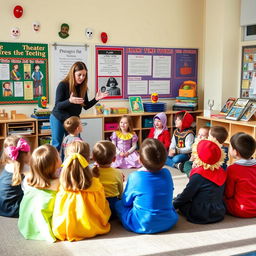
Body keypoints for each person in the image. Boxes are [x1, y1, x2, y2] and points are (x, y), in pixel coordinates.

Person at [115, 138, 178, 234]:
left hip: (142, 223)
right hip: (168, 221)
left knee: (118, 205)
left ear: (140, 160)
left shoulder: (135, 176)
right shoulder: (167, 173)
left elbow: (126, 202)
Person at [52, 141, 111, 241]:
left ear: (66, 157)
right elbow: (102, 207)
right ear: (88, 159)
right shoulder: (96, 184)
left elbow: (58, 209)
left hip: (65, 229)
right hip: (92, 227)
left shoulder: (61, 184)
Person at [50, 61, 108, 151]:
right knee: (57, 145)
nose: (82, 78)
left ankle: (71, 164)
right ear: (73, 74)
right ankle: (56, 165)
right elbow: (58, 105)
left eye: (84, 75)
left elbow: (85, 106)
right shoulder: (63, 85)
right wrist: (69, 101)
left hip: (73, 120)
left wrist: (96, 99)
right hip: (58, 118)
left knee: (75, 145)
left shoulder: (83, 88)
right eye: (79, 75)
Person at [173, 138, 227, 224]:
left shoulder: (199, 175)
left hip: (200, 214)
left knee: (181, 201)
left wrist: (173, 205)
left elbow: (186, 195)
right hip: (219, 212)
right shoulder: (221, 171)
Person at [18, 144, 61, 242]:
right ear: (54, 163)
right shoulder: (58, 182)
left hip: (25, 225)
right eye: (58, 156)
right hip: (44, 226)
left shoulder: (29, 180)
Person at [224, 132, 256, 218]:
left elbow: (228, 194)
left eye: (230, 146)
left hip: (242, 210)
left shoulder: (232, 169)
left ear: (235, 152)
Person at [0, 136, 30, 217]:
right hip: (14, 209)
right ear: (27, 153)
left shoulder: (8, 166)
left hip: (1, 207)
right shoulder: (26, 169)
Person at [92, 140, 123, 217]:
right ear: (114, 159)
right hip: (113, 208)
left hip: (97, 208)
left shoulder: (90, 172)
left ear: (93, 158)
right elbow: (120, 193)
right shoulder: (118, 173)